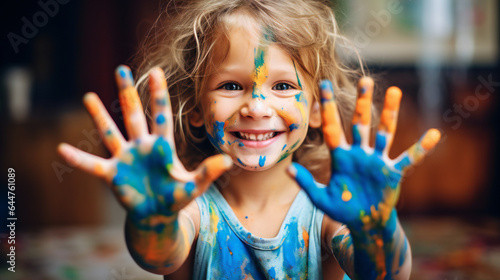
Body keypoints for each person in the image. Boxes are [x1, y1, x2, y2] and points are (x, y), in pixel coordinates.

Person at [58, 0, 441, 279]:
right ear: (195, 107)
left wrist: (376, 227)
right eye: (230, 85)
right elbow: (158, 257)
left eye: (284, 86)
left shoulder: (328, 215)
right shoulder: (191, 210)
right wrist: (154, 218)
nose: (257, 107)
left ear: (316, 110)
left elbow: (385, 274)